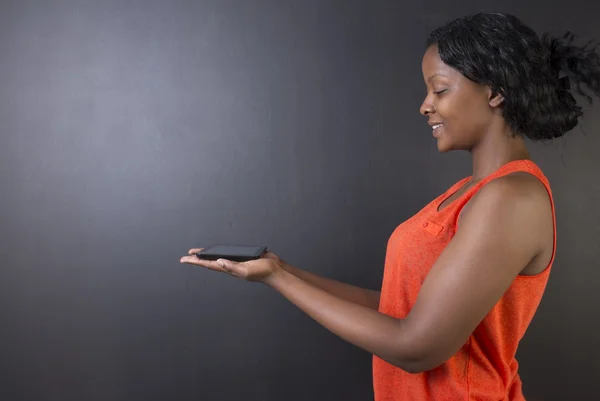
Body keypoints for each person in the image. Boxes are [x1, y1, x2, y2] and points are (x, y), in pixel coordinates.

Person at [180, 13, 600, 401]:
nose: (425, 105)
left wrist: (279, 281)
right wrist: (281, 268)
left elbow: (417, 347)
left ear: (494, 92)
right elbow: (397, 309)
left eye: (439, 89)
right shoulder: (467, 193)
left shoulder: (512, 197)